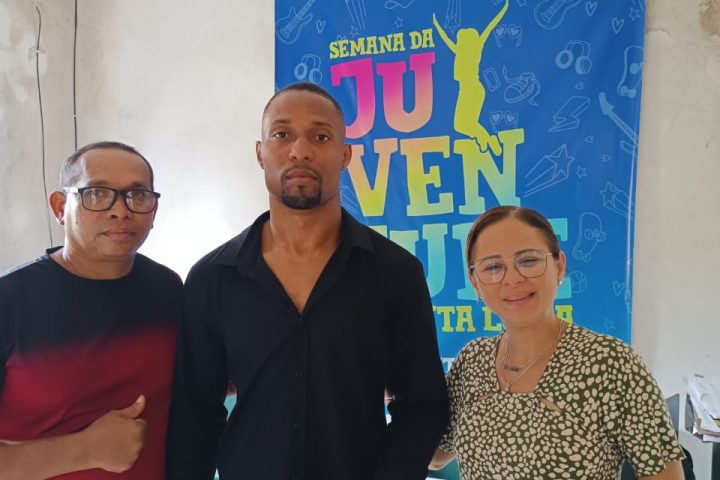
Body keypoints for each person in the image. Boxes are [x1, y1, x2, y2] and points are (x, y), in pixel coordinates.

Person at [166, 82, 448, 480]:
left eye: (321, 136)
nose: (300, 150)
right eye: (282, 134)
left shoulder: (396, 273)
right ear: (260, 153)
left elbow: (422, 403)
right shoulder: (212, 278)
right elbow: (195, 415)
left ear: (345, 155)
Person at [429, 206, 685, 480]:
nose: (512, 278)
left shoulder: (611, 364)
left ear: (559, 266)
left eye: (528, 260)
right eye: (493, 267)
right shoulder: (471, 360)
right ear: (475, 282)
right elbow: (434, 456)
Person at [0, 142, 182, 479]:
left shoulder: (168, 290)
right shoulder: (9, 302)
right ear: (60, 207)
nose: (120, 210)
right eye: (97, 194)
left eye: (137, 196)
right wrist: (84, 450)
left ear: (153, 212)